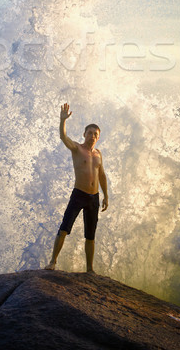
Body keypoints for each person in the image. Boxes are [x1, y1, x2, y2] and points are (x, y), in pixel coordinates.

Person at [45, 102, 109, 273]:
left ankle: (90, 269)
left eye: (96, 134)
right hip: (79, 194)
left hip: (93, 197)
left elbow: (102, 175)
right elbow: (63, 137)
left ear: (98, 137)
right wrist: (62, 121)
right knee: (64, 228)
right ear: (84, 134)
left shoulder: (98, 154)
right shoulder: (77, 148)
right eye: (90, 133)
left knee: (90, 235)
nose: (93, 136)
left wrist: (106, 196)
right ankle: (53, 261)